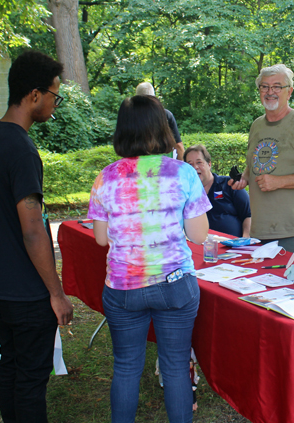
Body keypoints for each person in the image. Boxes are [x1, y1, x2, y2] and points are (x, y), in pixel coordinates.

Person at [88, 95, 211, 422]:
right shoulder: (183, 173)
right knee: (174, 367)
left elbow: (101, 238)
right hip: (175, 284)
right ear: (162, 128)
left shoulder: (106, 176)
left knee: (126, 367)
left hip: (123, 287)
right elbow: (199, 235)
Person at [0, 50, 74, 423]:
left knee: (10, 367)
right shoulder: (21, 149)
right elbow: (33, 229)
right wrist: (56, 293)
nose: (54, 104)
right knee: (30, 380)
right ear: (34, 95)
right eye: (54, 95)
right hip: (26, 291)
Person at [229, 64, 294, 257]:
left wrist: (279, 182)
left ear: (289, 91)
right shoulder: (256, 125)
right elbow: (253, 164)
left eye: (277, 86)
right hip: (259, 229)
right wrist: (244, 178)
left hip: (292, 231)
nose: (270, 92)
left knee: (293, 285)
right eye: (264, 87)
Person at [184, 144, 251, 237]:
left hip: (232, 246)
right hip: (201, 246)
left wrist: (246, 238)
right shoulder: (186, 192)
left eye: (199, 162)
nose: (195, 167)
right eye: (190, 164)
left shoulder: (229, 185)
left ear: (209, 164)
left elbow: (249, 214)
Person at [135, 82, 185, 160]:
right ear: (154, 97)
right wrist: (183, 167)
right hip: (163, 163)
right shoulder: (165, 115)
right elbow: (178, 145)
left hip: (138, 164)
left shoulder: (131, 119)